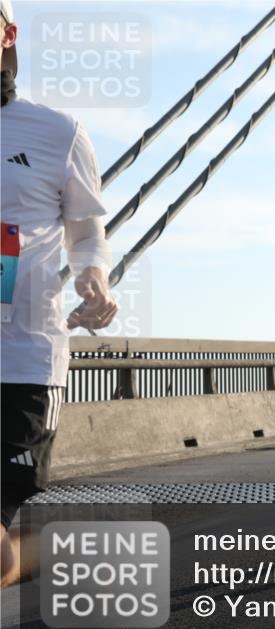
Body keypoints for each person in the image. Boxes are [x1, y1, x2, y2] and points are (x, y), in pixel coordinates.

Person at [2, 0, 119, 588]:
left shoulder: (57, 132)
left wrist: (93, 278)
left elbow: (86, 230)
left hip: (22, 361)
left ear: (7, 33)